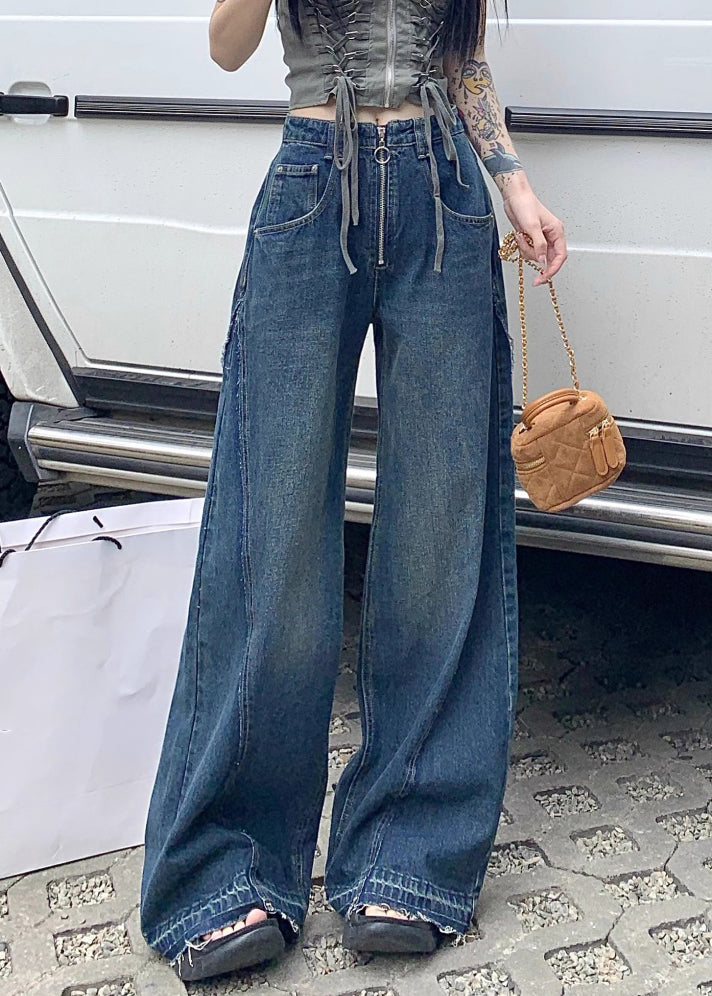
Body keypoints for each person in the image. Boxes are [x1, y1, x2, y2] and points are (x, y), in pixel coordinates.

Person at [139, 0, 567, 982]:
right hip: (310, 181)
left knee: (439, 530)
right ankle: (224, 870)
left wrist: (516, 186)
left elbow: (461, 62)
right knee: (272, 532)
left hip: (443, 192)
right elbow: (226, 47)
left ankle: (408, 854)